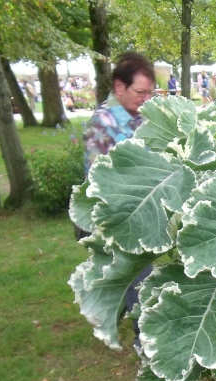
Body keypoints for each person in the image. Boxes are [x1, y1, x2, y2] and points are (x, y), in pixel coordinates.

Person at [81, 52, 157, 346]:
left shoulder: (140, 118)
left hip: (141, 207)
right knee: (135, 272)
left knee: (129, 273)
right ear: (119, 87)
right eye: (141, 92)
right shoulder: (102, 124)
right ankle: (144, 337)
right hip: (117, 214)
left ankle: (113, 310)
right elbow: (99, 180)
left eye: (149, 92)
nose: (146, 98)